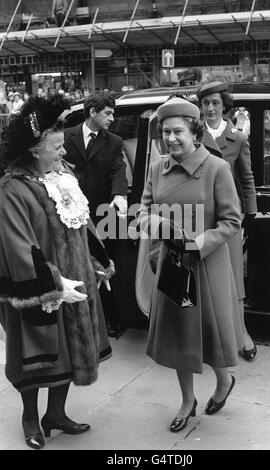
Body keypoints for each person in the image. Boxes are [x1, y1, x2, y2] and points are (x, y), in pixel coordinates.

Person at [0, 93, 113, 450]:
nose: (64, 153)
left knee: (70, 351)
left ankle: (56, 414)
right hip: (42, 288)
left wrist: (98, 261)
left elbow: (82, 225)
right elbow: (17, 245)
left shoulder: (62, 176)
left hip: (76, 283)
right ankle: (31, 418)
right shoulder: (11, 189)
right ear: (34, 150)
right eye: (56, 147)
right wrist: (52, 284)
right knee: (38, 356)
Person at [135, 97, 243, 433]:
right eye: (165, 132)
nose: (170, 139)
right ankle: (187, 400)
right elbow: (142, 211)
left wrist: (199, 243)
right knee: (180, 336)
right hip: (173, 264)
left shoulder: (216, 168)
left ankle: (224, 382)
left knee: (211, 336)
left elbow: (231, 221)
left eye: (177, 131)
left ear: (194, 131)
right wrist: (158, 227)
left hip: (206, 266)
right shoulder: (157, 169)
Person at [197, 81, 258, 361]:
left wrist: (250, 213)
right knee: (203, 278)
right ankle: (207, 336)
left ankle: (241, 332)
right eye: (206, 103)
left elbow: (246, 178)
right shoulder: (193, 134)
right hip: (199, 217)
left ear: (225, 106)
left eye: (216, 103)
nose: (210, 108)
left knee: (234, 277)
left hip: (228, 218)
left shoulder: (238, 138)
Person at [64, 91, 128, 337]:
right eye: (108, 113)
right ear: (93, 112)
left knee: (103, 267)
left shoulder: (113, 141)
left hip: (102, 215)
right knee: (75, 266)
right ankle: (79, 320)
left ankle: (108, 321)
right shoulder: (67, 137)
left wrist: (119, 195)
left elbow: (118, 170)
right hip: (70, 214)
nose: (112, 118)